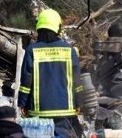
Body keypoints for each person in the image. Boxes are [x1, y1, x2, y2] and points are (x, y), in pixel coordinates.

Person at [18, 8, 82, 138]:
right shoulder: (69, 51)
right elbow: (77, 81)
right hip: (65, 109)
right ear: (57, 28)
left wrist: (22, 103)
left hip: (39, 109)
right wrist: (79, 102)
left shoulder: (32, 50)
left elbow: (26, 82)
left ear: (39, 27)